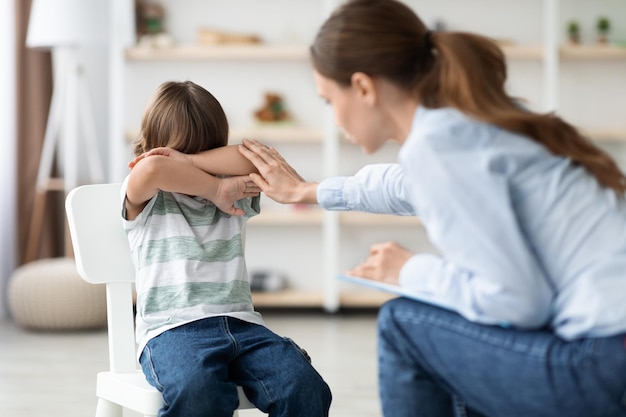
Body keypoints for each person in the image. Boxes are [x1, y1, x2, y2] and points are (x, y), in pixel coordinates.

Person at [235, 1, 626, 416]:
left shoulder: (439, 146)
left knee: (405, 323)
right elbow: (410, 186)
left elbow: (517, 302)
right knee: (453, 324)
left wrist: (408, 271)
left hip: (602, 359)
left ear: (364, 88)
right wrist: (308, 191)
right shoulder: (468, 122)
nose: (332, 118)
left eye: (330, 100)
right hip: (610, 346)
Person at [122, 80, 332, 417]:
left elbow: (254, 158)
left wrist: (190, 163)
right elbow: (153, 168)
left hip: (243, 326)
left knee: (302, 384)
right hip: (172, 331)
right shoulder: (149, 197)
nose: (189, 162)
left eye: (200, 153)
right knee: (199, 390)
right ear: (154, 147)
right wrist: (215, 187)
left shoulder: (235, 191)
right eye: (180, 153)